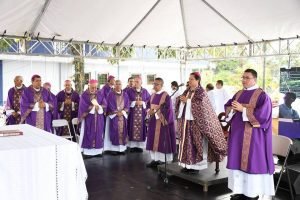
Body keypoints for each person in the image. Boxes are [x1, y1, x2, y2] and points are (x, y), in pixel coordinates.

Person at [225, 69, 274, 200]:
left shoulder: (262, 95)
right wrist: (231, 109)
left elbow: (263, 116)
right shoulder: (239, 93)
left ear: (254, 79)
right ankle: (240, 190)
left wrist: (243, 110)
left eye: (247, 77)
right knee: (237, 162)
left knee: (252, 162)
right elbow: (228, 106)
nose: (243, 80)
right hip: (237, 136)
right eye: (242, 77)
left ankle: (251, 194)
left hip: (253, 137)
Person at [176, 72, 227, 174]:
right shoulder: (187, 90)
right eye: (189, 79)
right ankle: (187, 165)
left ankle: (196, 168)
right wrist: (181, 100)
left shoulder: (201, 92)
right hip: (186, 122)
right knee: (186, 144)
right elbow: (182, 102)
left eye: (191, 79)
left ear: (197, 80)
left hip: (197, 123)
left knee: (196, 144)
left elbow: (202, 106)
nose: (189, 81)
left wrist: (188, 101)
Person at [146, 77, 177, 168]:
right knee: (152, 140)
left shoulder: (166, 96)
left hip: (162, 122)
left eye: (157, 84)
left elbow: (169, 110)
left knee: (162, 141)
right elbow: (148, 105)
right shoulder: (152, 95)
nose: (155, 85)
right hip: (153, 122)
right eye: (154, 84)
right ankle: (155, 159)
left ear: (162, 85)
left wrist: (156, 112)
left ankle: (163, 160)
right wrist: (149, 111)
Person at [78, 79, 106, 157]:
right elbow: (82, 107)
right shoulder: (84, 95)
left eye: (95, 87)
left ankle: (98, 151)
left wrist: (99, 107)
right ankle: (87, 152)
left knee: (99, 133)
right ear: (89, 86)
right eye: (92, 87)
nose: (94, 89)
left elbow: (104, 103)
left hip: (99, 118)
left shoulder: (100, 93)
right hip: (88, 118)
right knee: (88, 133)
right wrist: (93, 108)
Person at [104, 80, 130, 155]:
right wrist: (116, 112)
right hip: (113, 116)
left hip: (122, 115)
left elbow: (127, 104)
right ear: (114, 85)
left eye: (120, 84)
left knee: (122, 132)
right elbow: (109, 104)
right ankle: (113, 149)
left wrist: (123, 112)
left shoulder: (125, 94)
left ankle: (121, 149)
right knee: (113, 131)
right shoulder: (110, 94)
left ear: (122, 85)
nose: (118, 86)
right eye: (116, 84)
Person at [127, 76, 150, 152]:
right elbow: (126, 101)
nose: (135, 83)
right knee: (132, 128)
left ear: (141, 83)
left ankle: (140, 146)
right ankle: (132, 146)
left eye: (137, 82)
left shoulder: (145, 91)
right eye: (134, 82)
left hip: (142, 114)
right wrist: (134, 102)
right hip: (132, 114)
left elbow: (149, 101)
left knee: (142, 128)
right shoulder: (129, 91)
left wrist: (143, 102)